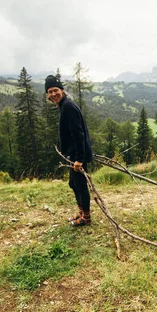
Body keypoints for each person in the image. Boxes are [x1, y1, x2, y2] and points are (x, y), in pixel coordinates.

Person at [45, 75, 93, 227]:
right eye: (50, 92)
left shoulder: (68, 106)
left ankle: (86, 217)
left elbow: (78, 134)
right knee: (73, 183)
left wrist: (79, 159)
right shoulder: (64, 105)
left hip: (78, 154)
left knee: (80, 185)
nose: (53, 94)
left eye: (55, 90)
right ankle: (81, 212)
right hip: (73, 154)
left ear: (62, 90)